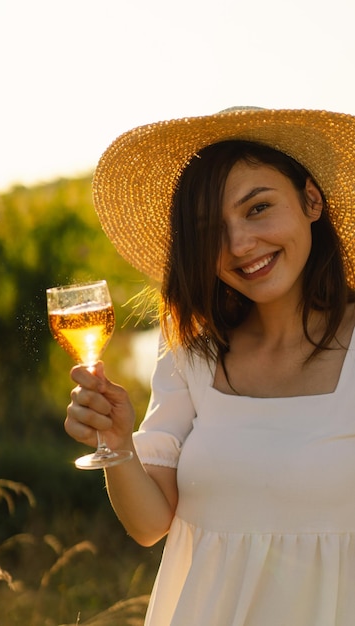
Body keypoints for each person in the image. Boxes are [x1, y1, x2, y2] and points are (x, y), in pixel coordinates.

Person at [65, 107, 355, 625]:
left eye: (259, 208)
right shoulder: (192, 352)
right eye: (211, 229)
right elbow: (150, 525)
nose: (240, 245)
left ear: (311, 200)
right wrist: (117, 442)